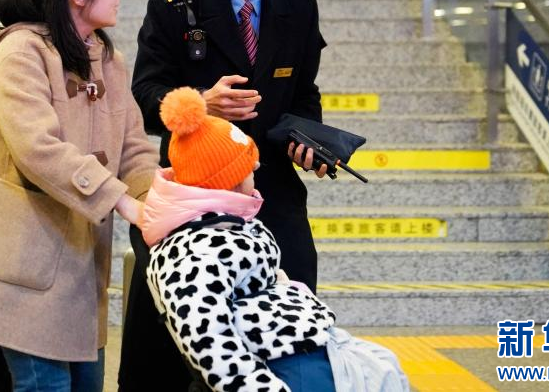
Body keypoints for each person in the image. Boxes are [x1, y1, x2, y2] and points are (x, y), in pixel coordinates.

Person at [120, 0, 328, 389]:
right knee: (169, 339)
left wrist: (308, 141)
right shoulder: (173, 6)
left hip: (271, 187)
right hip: (193, 196)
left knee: (293, 314)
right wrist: (200, 103)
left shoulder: (298, 3)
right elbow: (144, 95)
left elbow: (304, 92)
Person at [0, 0, 159, 390]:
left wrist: (158, 201)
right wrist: (120, 200)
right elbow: (38, 149)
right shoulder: (20, 52)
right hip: (24, 269)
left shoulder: (109, 59)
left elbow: (135, 148)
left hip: (81, 271)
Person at [140, 88, 409, 392]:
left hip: (300, 349)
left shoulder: (227, 227)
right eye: (249, 168)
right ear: (229, 182)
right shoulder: (196, 253)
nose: (256, 170)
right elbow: (210, 343)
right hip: (283, 368)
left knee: (385, 368)